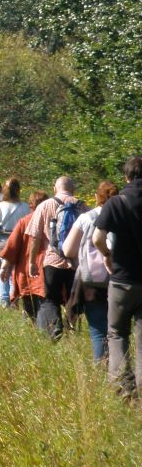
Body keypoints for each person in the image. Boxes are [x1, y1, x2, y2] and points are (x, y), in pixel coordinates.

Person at [93, 157, 142, 395]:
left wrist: (107, 255)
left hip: (122, 281)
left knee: (117, 333)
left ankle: (124, 389)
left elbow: (97, 238)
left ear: (126, 177)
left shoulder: (116, 202)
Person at [63, 180, 119, 362]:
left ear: (97, 197)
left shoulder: (86, 218)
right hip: (119, 279)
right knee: (119, 331)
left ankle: (102, 369)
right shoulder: (123, 217)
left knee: (98, 331)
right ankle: (119, 367)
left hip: (91, 283)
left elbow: (68, 250)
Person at [26, 176, 84, 339]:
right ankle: (72, 330)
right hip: (75, 262)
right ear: (73, 189)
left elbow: (35, 237)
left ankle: (54, 327)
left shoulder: (45, 205)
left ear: (54, 189)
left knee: (51, 298)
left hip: (52, 261)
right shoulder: (82, 206)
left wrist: (32, 262)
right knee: (73, 300)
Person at [1, 190, 49, 321]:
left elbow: (11, 246)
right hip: (46, 270)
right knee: (46, 305)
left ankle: (34, 329)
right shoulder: (52, 222)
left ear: (31, 205)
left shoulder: (24, 222)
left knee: (29, 308)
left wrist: (4, 267)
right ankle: (45, 331)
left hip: (27, 271)